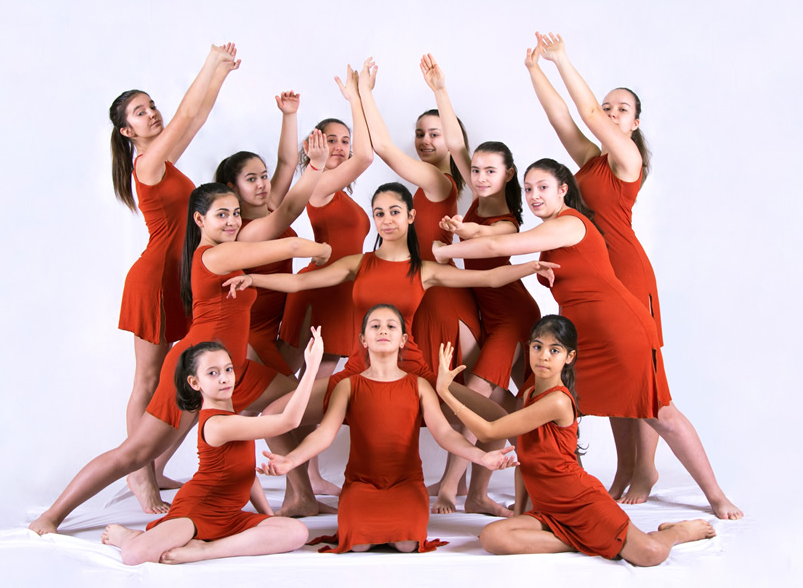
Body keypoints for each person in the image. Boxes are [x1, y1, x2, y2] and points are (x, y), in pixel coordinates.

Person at [27, 162, 333, 536]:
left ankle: (300, 496)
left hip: (233, 368)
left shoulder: (228, 251)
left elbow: (284, 226)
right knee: (136, 453)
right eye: (222, 215)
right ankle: (52, 516)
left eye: (236, 213)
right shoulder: (214, 256)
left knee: (292, 399)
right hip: (195, 368)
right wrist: (322, 249)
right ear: (200, 220)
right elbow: (291, 245)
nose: (233, 222)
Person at [433, 159, 742, 520]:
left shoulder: (569, 223)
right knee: (539, 407)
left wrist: (442, 253)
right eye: (529, 189)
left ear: (563, 190)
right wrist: (466, 231)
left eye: (543, 187)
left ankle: (716, 496)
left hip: (618, 330)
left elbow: (498, 246)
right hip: (580, 337)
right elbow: (493, 239)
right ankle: (563, 494)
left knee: (660, 413)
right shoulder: (552, 228)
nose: (534, 195)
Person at [224, 182, 556, 518]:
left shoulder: (423, 269)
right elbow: (299, 282)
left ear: (411, 216)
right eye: (379, 213)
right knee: (274, 415)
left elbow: (489, 279)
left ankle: (479, 496)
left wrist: (529, 266)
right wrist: (254, 280)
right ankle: (302, 497)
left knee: (498, 419)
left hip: (413, 372)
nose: (386, 220)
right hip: (359, 371)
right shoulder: (358, 264)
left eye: (394, 212)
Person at [433, 317, 717, 564]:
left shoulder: (556, 401)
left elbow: (488, 431)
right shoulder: (530, 394)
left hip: (579, 502)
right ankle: (584, 541)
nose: (543, 356)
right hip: (547, 510)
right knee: (492, 538)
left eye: (554, 350)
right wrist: (520, 512)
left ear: (569, 357)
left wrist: (446, 393)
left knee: (650, 554)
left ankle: (678, 531)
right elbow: (524, 464)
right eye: (537, 347)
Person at [257, 305, 517, 553]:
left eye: (391, 326)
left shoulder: (419, 386)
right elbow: (323, 434)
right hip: (361, 485)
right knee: (357, 544)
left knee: (406, 544)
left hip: (406, 485)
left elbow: (446, 433)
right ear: (363, 339)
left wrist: (482, 457)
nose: (383, 330)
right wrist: (291, 460)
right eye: (375, 326)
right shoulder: (347, 386)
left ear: (403, 340)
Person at [526, 32, 663, 503]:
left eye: (621, 109)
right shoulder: (590, 161)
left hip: (627, 272)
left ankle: (646, 470)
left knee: (641, 380)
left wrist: (561, 58)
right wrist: (535, 70)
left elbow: (584, 113)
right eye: (607, 107)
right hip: (595, 275)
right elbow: (563, 118)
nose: (610, 113)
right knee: (613, 381)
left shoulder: (628, 159)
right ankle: (625, 467)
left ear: (635, 123)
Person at [109, 43, 240, 512]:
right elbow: (186, 115)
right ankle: (139, 477)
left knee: (180, 377)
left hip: (179, 280)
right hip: (152, 282)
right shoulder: (146, 165)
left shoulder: (162, 162)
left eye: (152, 106)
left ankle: (157, 466)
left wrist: (222, 74)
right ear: (127, 131)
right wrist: (209, 63)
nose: (153, 114)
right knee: (147, 379)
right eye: (141, 112)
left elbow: (195, 118)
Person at [421, 53, 542, 513]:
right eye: (476, 170)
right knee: (515, 403)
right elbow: (455, 144)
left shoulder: (508, 219)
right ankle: (479, 491)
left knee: (476, 393)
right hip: (485, 313)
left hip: (511, 315)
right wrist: (440, 90)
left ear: (508, 174)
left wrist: (460, 235)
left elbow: (489, 242)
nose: (480, 177)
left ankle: (453, 486)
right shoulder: (475, 192)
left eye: (491, 171)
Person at [101, 334, 324, 565]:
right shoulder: (217, 424)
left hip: (230, 516)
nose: (224, 378)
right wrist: (311, 368)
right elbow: (289, 421)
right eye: (212, 373)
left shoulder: (232, 418)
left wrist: (266, 517)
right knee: (135, 554)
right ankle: (128, 536)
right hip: (198, 509)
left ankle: (207, 549)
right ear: (195, 383)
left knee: (297, 532)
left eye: (228, 369)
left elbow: (244, 474)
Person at [356, 57, 482, 400]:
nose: (425, 141)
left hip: (439, 293)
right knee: (446, 393)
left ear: (450, 140)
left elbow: (383, 148)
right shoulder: (432, 183)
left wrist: (365, 93)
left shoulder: (436, 180)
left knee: (449, 392)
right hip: (426, 287)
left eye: (434, 134)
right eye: (419, 134)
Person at [279, 65, 374, 378]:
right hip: (320, 287)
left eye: (346, 141)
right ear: (314, 145)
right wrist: (356, 98)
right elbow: (366, 156)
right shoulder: (318, 183)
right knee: (284, 373)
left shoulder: (340, 193)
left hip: (343, 290)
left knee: (320, 381)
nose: (341, 147)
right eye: (331, 140)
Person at [212, 90, 308, 377]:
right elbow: (289, 211)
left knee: (277, 393)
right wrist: (315, 166)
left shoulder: (270, 206)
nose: (262, 184)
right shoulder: (243, 230)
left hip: (277, 322)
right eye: (251, 179)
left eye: (264, 176)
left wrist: (289, 115)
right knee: (279, 392)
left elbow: (287, 162)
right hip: (252, 328)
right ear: (232, 188)